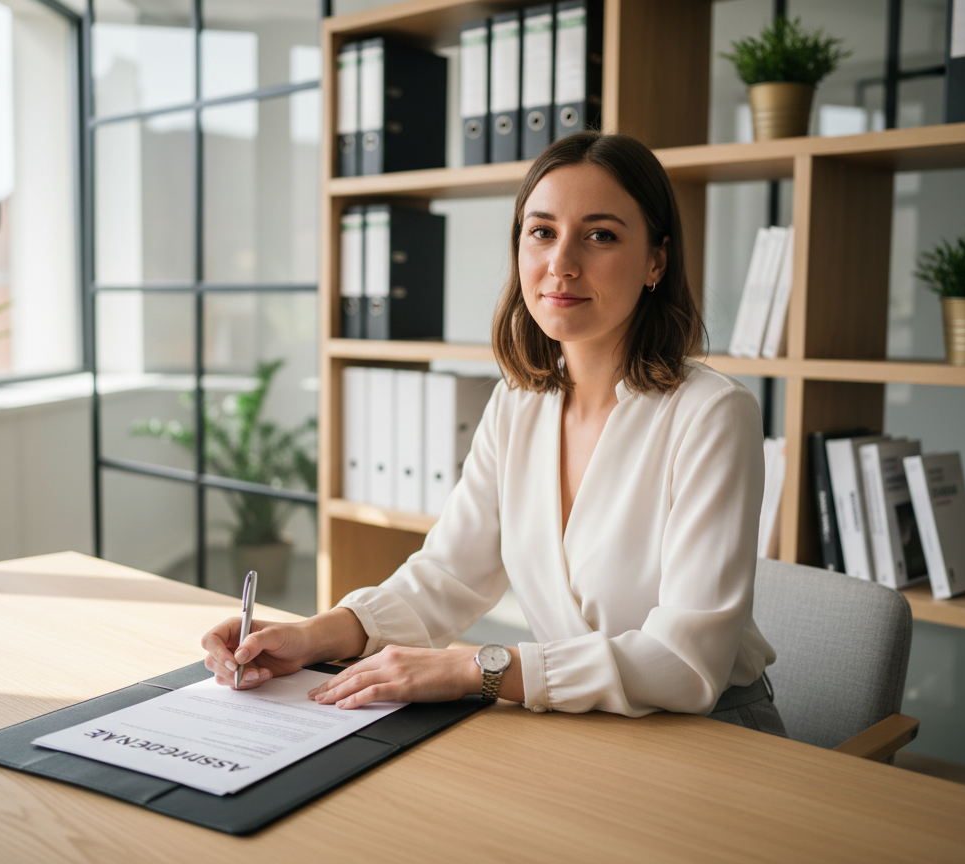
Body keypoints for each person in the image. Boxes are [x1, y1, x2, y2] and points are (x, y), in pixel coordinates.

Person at [202, 131, 785, 735]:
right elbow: (449, 576)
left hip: (712, 731)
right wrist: (310, 634)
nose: (561, 263)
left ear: (656, 261)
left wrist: (473, 669)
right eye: (542, 231)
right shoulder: (519, 402)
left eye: (601, 235)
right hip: (582, 724)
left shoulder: (712, 413)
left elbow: (684, 664)